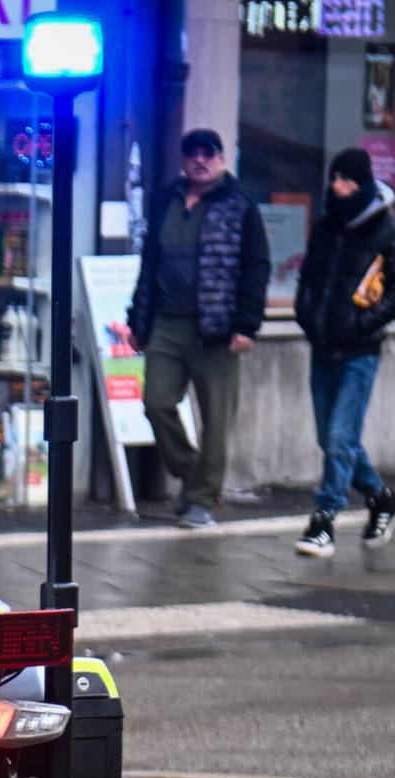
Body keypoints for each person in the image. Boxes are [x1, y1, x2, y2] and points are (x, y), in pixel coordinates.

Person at [126, 128, 271, 529]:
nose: (200, 160)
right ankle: (194, 475)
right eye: (192, 154)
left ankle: (202, 501)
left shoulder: (240, 205)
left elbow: (257, 267)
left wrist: (247, 326)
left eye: (208, 154)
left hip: (217, 328)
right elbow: (149, 264)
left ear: (221, 159)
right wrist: (138, 319)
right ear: (183, 161)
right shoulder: (164, 199)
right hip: (166, 323)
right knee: (155, 403)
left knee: (216, 418)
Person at [290, 148, 395, 557]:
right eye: (335, 178)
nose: (338, 186)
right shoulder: (326, 225)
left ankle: (324, 519)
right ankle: (381, 499)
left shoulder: (387, 229)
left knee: (341, 437)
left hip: (360, 351)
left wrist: (363, 325)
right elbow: (308, 278)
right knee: (331, 438)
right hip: (323, 344)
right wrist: (307, 315)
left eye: (346, 179)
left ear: (362, 183)